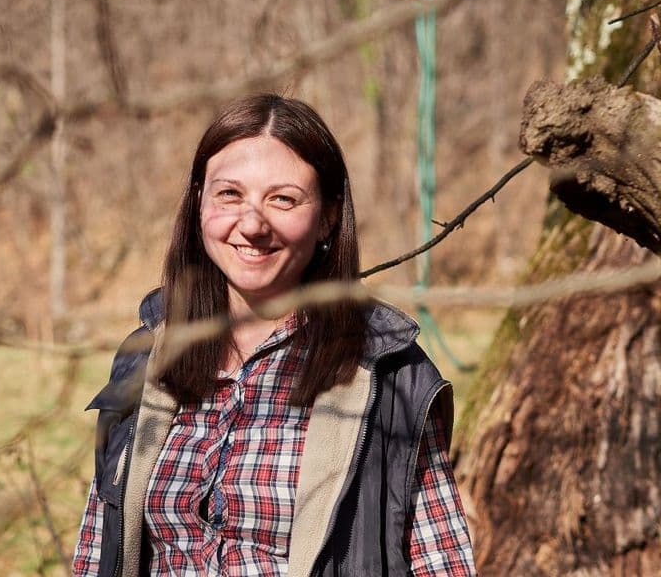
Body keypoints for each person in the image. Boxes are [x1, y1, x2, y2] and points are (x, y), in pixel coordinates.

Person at [72, 94, 476, 576]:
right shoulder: (148, 356)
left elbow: (443, 563)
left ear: (327, 215)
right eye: (230, 194)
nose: (252, 224)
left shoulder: (389, 375)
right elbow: (97, 549)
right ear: (199, 201)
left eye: (283, 199)